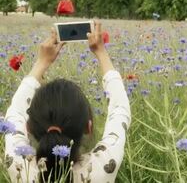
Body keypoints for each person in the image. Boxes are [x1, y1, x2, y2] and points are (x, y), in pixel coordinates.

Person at [4, 21, 131, 182]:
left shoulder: (19, 165)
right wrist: (101, 52)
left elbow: (14, 113)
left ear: (27, 128)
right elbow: (120, 109)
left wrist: (41, 63)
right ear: (88, 127)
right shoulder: (102, 167)